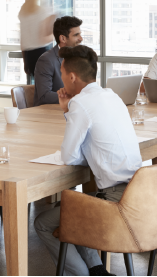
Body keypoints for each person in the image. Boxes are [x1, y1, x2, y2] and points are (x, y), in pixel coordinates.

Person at [34, 45, 142, 276]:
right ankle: (97, 270)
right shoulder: (111, 96)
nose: (61, 79)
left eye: (62, 74)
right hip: (139, 194)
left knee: (43, 222)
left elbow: (68, 156)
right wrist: (69, 111)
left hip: (115, 201)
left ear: (72, 76)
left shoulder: (80, 104)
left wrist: (69, 110)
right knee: (71, 207)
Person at [34, 16, 83, 106]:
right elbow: (44, 96)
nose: (81, 38)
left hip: (74, 109)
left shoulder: (79, 57)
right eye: (76, 35)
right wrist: (74, 98)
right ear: (63, 38)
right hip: (50, 112)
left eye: (80, 34)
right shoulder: (46, 60)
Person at [20, 0, 57, 83]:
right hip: (42, 54)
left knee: (38, 89)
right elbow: (43, 39)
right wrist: (56, 34)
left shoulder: (24, 10)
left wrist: (25, 61)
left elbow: (23, 41)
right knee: (47, 88)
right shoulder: (42, 11)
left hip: (29, 56)